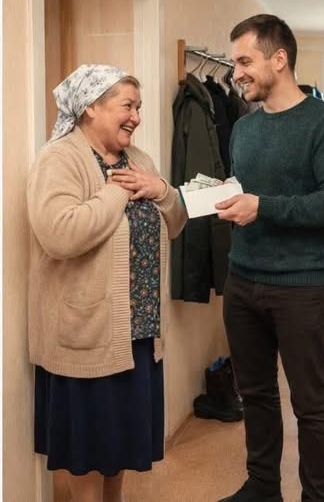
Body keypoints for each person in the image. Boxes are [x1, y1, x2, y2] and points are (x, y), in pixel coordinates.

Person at [215, 14, 324, 502]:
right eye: (234, 63)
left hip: (301, 287)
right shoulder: (243, 129)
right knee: (255, 395)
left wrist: (262, 206)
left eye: (244, 61)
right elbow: (246, 190)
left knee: (311, 405)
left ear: (279, 59)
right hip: (241, 281)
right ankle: (262, 487)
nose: (236, 73)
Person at [27, 64, 187, 502]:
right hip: (87, 336)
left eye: (138, 107)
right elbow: (59, 234)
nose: (136, 117)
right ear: (91, 107)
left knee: (120, 450)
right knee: (87, 453)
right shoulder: (59, 159)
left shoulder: (140, 160)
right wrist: (118, 191)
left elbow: (175, 223)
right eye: (127, 106)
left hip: (139, 335)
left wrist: (162, 190)